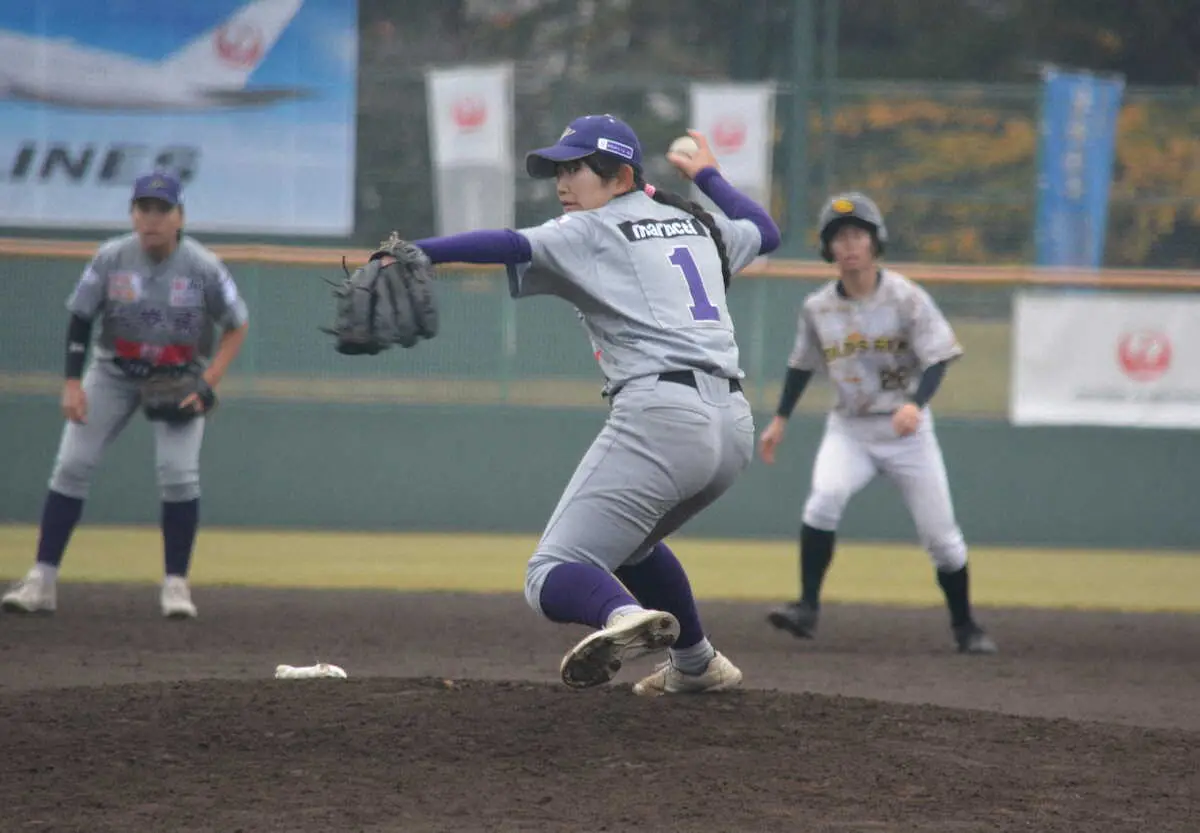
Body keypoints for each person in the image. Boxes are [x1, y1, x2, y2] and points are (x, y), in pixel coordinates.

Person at [388, 114, 781, 694]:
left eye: (576, 168)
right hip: (732, 427)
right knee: (633, 546)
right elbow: (764, 231)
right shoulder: (693, 224)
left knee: (549, 574)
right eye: (558, 169)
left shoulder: (591, 229)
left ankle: (624, 618)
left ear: (620, 176)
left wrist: (418, 251)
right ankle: (698, 664)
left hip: (663, 417)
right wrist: (709, 177)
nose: (562, 182)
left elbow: (509, 243)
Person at [1, 172, 250, 620]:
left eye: (162, 210)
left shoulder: (202, 266)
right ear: (133, 214)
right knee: (72, 465)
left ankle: (176, 585)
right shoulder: (112, 257)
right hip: (113, 372)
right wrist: (72, 383)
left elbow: (237, 323)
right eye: (144, 208)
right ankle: (42, 579)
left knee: (178, 475)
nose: (152, 219)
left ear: (180, 217)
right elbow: (80, 317)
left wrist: (208, 380)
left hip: (178, 376)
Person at [758, 192, 997, 654]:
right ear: (829, 250)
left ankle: (966, 626)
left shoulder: (905, 297)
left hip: (907, 432)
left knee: (943, 541)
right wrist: (781, 419)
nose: (848, 245)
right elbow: (801, 365)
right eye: (838, 237)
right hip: (850, 429)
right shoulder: (817, 307)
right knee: (824, 499)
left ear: (874, 242)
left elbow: (938, 357)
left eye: (857, 235)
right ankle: (806, 607)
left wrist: (917, 404)